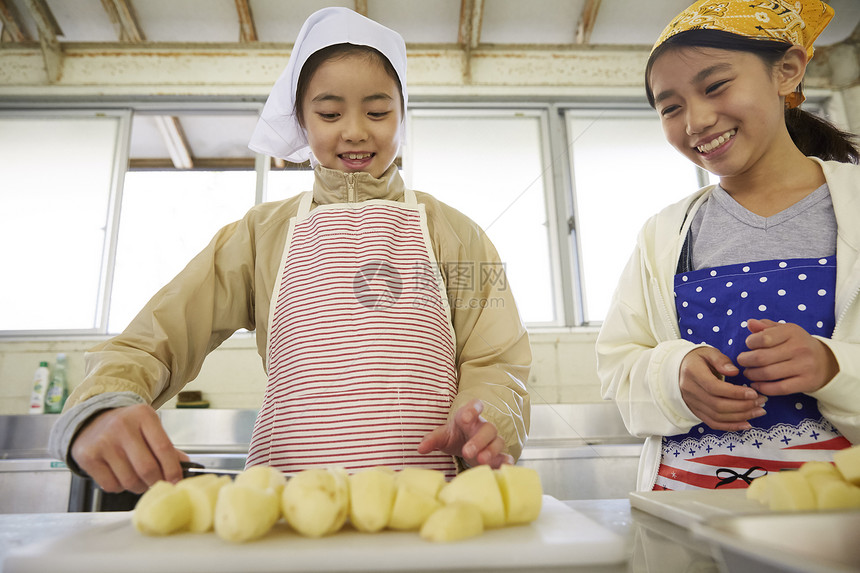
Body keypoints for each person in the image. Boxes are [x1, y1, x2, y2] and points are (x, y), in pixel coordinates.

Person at [49, 7, 531, 494]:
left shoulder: (456, 233)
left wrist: (485, 421)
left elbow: (497, 360)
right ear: (301, 120)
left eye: (378, 110)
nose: (356, 130)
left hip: (430, 503)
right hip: (288, 508)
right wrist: (105, 402)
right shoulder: (261, 235)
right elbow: (159, 334)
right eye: (329, 112)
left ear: (402, 115)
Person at [596, 0, 860, 491]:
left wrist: (833, 366)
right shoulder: (665, 232)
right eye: (670, 107)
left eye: (715, 86)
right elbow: (618, 367)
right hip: (688, 514)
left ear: (787, 71)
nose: (694, 120)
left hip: (838, 522)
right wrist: (673, 375)